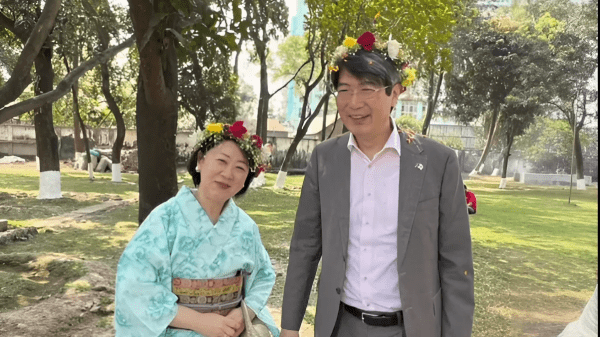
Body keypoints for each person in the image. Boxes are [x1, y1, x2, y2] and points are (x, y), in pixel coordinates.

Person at [280, 31, 474, 337]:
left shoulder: (439, 162)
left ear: (395, 93)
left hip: (411, 328)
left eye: (367, 89)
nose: (354, 102)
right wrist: (290, 327)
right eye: (344, 90)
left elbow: (456, 262)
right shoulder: (325, 159)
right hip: (340, 326)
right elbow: (304, 247)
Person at [115, 121, 279, 337]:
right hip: (177, 328)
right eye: (222, 161)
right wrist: (198, 321)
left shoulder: (246, 227)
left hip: (232, 329)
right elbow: (134, 283)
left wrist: (242, 315)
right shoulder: (164, 220)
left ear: (246, 179)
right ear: (200, 160)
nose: (228, 174)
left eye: (240, 168)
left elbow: (264, 275)